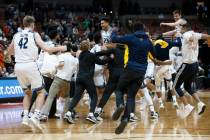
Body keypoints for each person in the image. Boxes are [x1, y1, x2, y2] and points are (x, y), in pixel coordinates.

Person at [8, 16, 69, 129]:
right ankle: (35, 116)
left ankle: (26, 116)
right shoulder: (34, 34)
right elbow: (48, 49)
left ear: (23, 24)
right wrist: (65, 47)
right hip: (30, 64)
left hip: (18, 66)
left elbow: (9, 51)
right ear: (32, 24)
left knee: (27, 93)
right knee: (41, 92)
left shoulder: (16, 35)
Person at [110, 22, 172, 134]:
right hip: (141, 73)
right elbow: (155, 54)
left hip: (129, 69)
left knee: (119, 89)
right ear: (143, 30)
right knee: (131, 96)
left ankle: (120, 105)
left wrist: (114, 30)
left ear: (134, 29)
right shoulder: (148, 42)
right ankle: (125, 118)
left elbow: (113, 39)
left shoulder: (131, 38)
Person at [64, 40, 112, 124]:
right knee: (94, 96)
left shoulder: (81, 55)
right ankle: (90, 114)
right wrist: (109, 57)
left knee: (76, 97)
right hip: (87, 78)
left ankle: (68, 112)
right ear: (88, 46)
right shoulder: (91, 55)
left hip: (79, 78)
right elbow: (101, 62)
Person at [172, 23, 209, 118]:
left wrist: (192, 43)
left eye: (181, 28)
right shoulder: (195, 33)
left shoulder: (186, 34)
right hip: (195, 65)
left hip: (187, 65)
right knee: (188, 86)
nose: (180, 29)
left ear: (185, 28)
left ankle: (187, 106)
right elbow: (206, 36)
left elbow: (190, 39)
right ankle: (200, 103)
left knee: (175, 86)